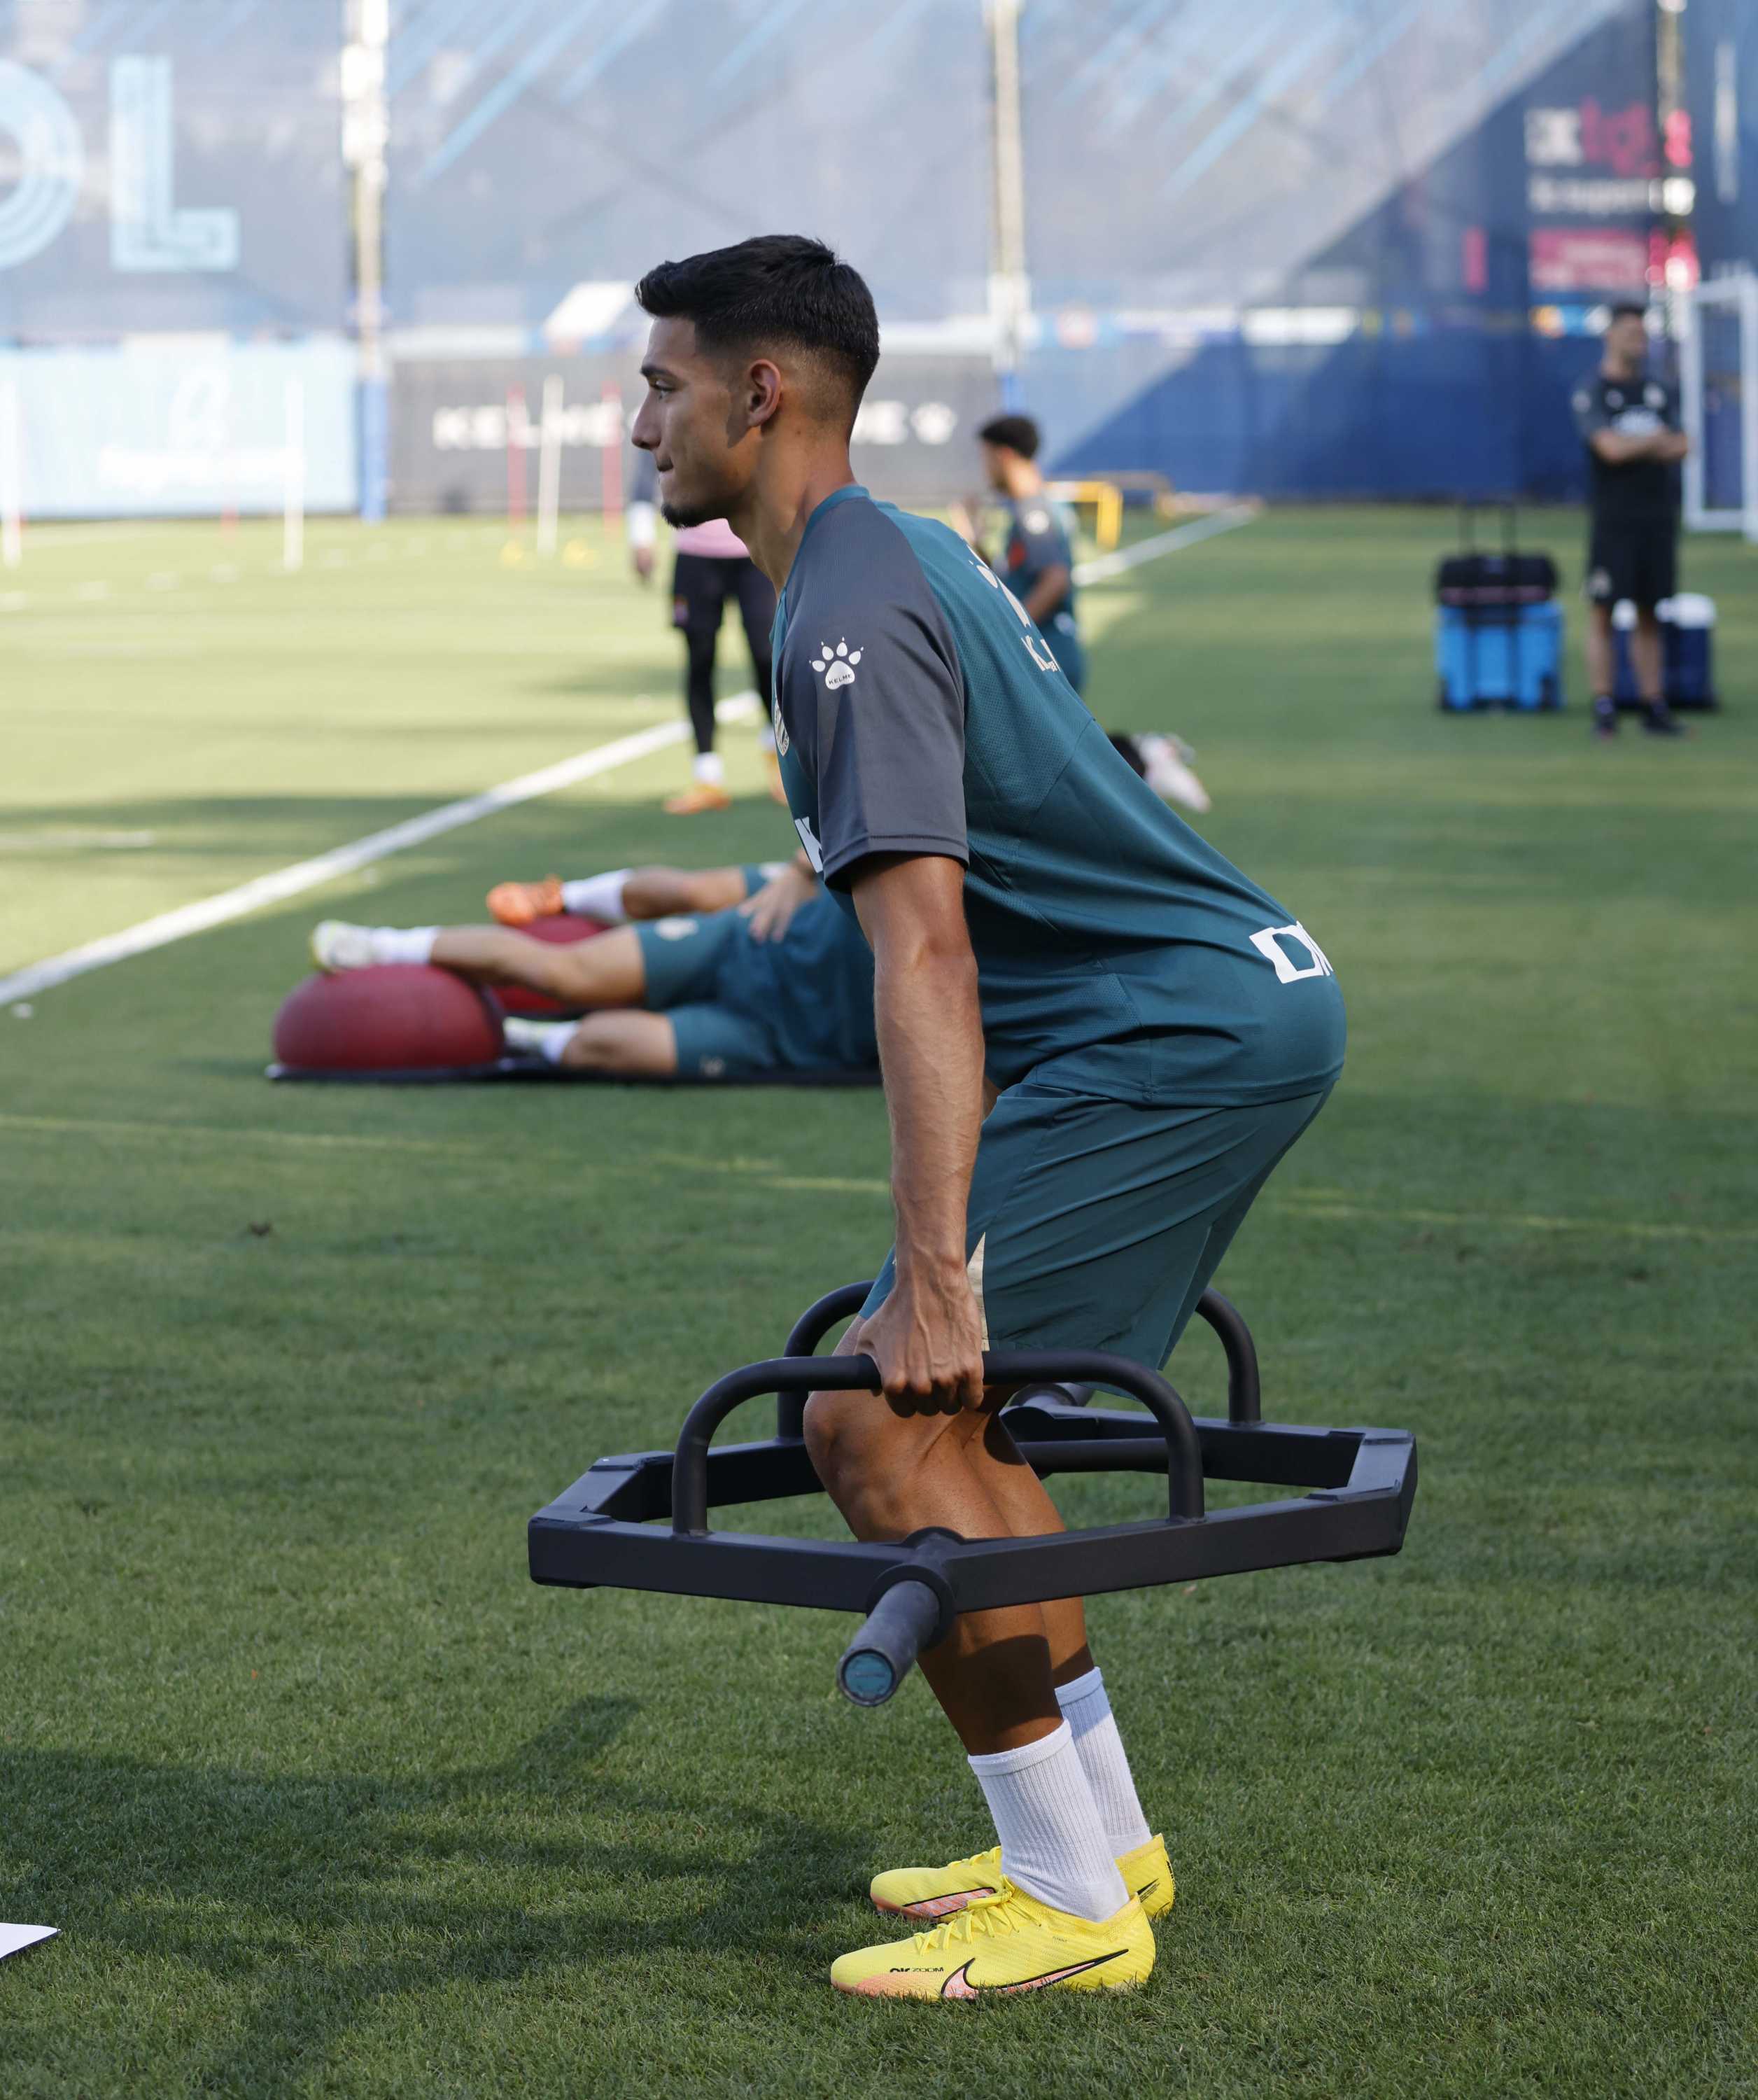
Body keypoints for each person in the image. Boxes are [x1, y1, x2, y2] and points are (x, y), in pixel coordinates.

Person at [631, 234, 1345, 1999]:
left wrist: (934, 1271)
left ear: (757, 392)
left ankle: (1069, 1903)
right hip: (1207, 1010)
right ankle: (1101, 1847)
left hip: (1172, 1033)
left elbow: (927, 956)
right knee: (958, 1427)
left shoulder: (845, 608)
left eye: (660, 385)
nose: (640, 426)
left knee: (874, 1426)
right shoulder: (888, 553)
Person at [308, 853, 876, 1082]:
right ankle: (384, 946)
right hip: (756, 938)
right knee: (566, 974)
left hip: (784, 1037)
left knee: (609, 1049)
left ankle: (524, 1038)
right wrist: (803, 868)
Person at [965, 413, 1210, 813]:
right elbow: (1007, 586)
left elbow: (1055, 580)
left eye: (986, 457)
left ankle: (1145, 758)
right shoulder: (1031, 509)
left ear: (1004, 456)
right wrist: (976, 540)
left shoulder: (1034, 512)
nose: (984, 468)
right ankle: (1145, 756)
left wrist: (1011, 632)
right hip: (1045, 648)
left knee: (1041, 762)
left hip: (1046, 650)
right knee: (1051, 758)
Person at [627, 451, 786, 809]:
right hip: (696, 556)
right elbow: (647, 467)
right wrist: (640, 536)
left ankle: (778, 753)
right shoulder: (672, 415)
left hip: (752, 552)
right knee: (700, 662)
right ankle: (707, 777)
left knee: (767, 657)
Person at [1573, 302, 1689, 739]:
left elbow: (1683, 444)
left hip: (1656, 517)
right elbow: (1609, 449)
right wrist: (1654, 441)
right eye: (1629, 333)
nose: (1637, 341)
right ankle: (1604, 706)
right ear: (1610, 336)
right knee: (1603, 611)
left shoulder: (1659, 388)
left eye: (1641, 333)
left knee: (1650, 612)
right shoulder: (1593, 391)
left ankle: (1652, 705)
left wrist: (1637, 444)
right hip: (1614, 520)